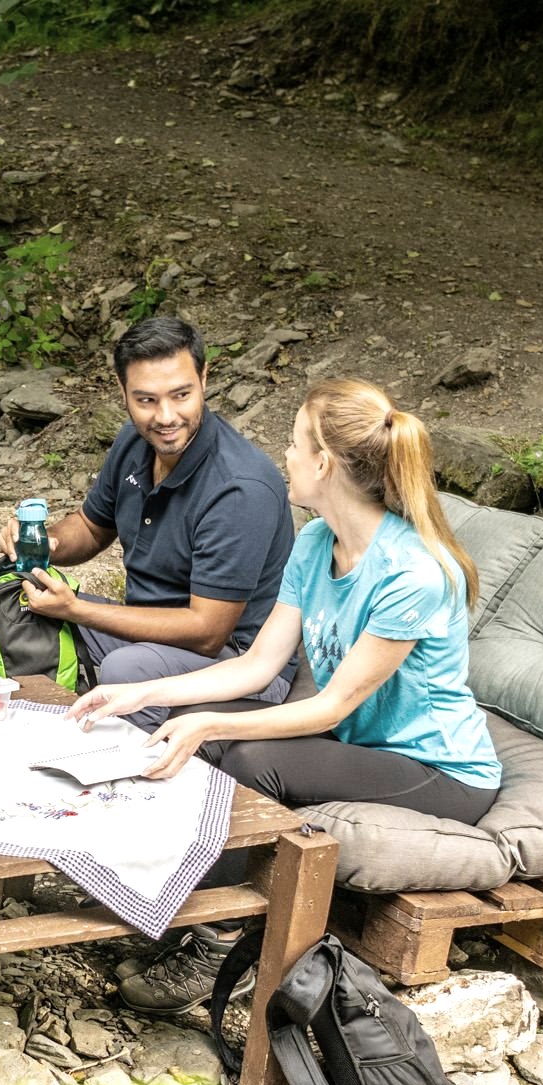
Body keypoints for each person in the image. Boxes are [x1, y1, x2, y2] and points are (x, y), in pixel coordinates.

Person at [67, 376, 503, 1012]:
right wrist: (141, 694)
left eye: (295, 444)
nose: (286, 458)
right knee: (197, 726)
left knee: (247, 757)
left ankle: (219, 947)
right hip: (360, 744)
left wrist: (210, 725)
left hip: (440, 771)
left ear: (323, 464)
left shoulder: (412, 574)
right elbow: (258, 665)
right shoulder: (317, 541)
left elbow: (332, 706)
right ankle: (163, 895)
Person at [0, 315, 296, 721]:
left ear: (204, 379)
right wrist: (44, 543)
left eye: (181, 395)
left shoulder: (239, 488)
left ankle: (121, 758)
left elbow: (207, 633)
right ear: (123, 391)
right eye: (147, 401)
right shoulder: (134, 442)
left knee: (127, 670)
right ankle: (35, 729)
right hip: (145, 635)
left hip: (239, 662)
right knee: (15, 602)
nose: (166, 417)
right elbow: (90, 527)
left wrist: (77, 609)